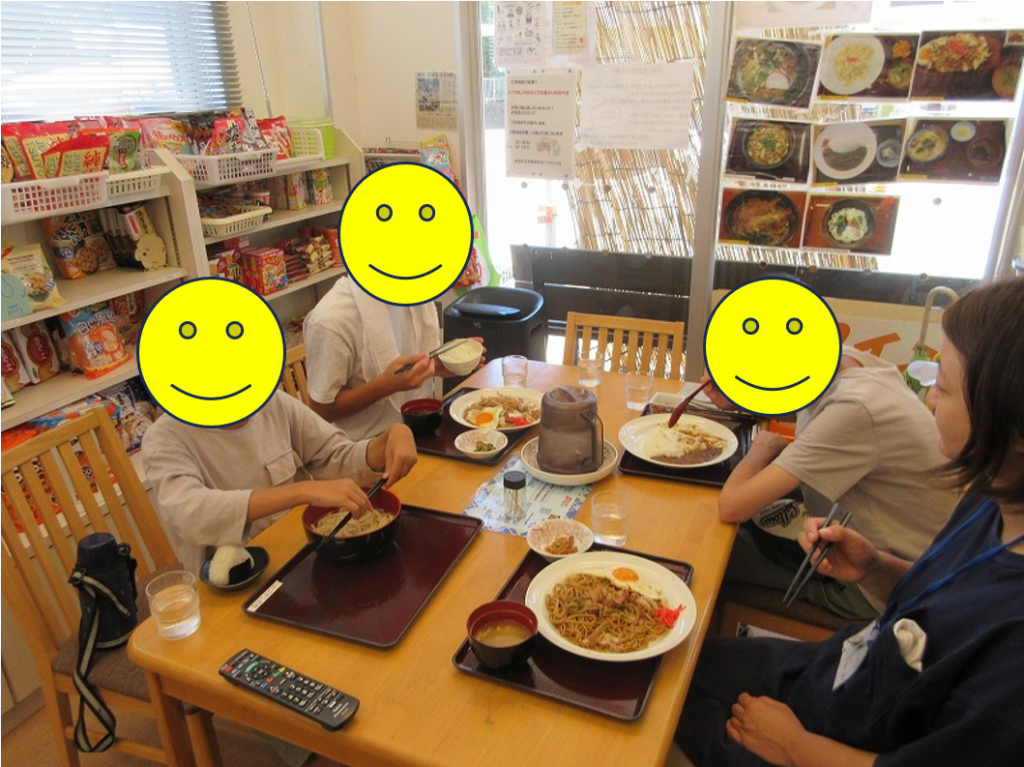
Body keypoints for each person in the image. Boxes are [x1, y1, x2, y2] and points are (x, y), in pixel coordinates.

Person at [677, 279, 1024, 766]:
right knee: (678, 665)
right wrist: (874, 566)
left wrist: (794, 745)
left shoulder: (1014, 646)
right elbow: (944, 606)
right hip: (853, 670)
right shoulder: (992, 498)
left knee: (668, 715)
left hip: (844, 740)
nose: (928, 401)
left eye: (943, 387)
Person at [705, 344, 958, 619]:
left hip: (887, 585)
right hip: (916, 550)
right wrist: (740, 399)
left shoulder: (856, 408)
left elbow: (732, 506)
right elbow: (807, 408)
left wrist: (761, 451)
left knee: (706, 551)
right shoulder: (846, 360)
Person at [142, 388, 418, 576]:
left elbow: (334, 455)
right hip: (233, 582)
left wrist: (388, 439)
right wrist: (300, 491)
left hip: (300, 558)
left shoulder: (271, 401)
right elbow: (191, 514)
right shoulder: (166, 437)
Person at [304, 276, 483, 441]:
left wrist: (434, 366)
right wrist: (384, 386)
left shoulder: (410, 292)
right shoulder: (330, 320)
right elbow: (321, 410)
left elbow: (406, 362)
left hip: (422, 429)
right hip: (365, 449)